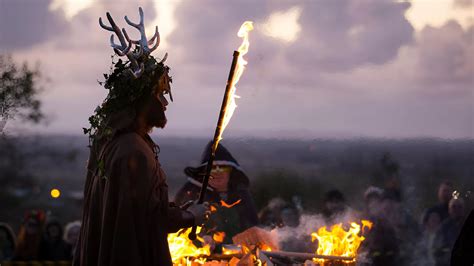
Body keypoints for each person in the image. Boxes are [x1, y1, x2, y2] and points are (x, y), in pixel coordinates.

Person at [74, 8, 209, 266]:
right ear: (143, 101)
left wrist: (180, 210)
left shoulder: (108, 143)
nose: (165, 103)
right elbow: (148, 218)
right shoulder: (132, 151)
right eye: (159, 95)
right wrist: (191, 217)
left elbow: (134, 209)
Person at [174, 142, 259, 245]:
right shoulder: (191, 193)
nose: (218, 172)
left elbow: (253, 226)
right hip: (200, 257)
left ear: (230, 170)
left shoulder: (242, 195)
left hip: (241, 255)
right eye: (212, 168)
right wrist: (200, 240)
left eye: (223, 167)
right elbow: (177, 230)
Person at [432, 197, 466, 266]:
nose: (457, 209)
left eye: (459, 207)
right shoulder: (443, 228)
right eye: (454, 207)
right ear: (449, 210)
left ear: (463, 209)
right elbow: (437, 250)